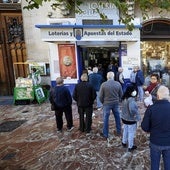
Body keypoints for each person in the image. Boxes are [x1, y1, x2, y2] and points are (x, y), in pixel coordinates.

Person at [141, 85, 170, 170]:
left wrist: (152, 129)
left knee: (154, 165)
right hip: (169, 142)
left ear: (157, 96)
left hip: (155, 141)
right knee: (168, 164)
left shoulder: (151, 109)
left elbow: (144, 127)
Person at [99, 71, 123, 139]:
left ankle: (105, 134)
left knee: (105, 118)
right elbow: (121, 94)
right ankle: (119, 131)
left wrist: (103, 102)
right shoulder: (118, 84)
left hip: (106, 103)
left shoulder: (103, 84)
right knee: (117, 117)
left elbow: (100, 96)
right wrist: (119, 101)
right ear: (113, 76)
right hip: (116, 103)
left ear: (107, 76)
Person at [121, 85, 141, 152]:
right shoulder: (131, 100)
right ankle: (130, 146)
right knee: (131, 132)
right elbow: (132, 110)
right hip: (130, 119)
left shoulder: (124, 98)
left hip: (124, 118)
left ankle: (124, 142)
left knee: (125, 130)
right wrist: (136, 117)